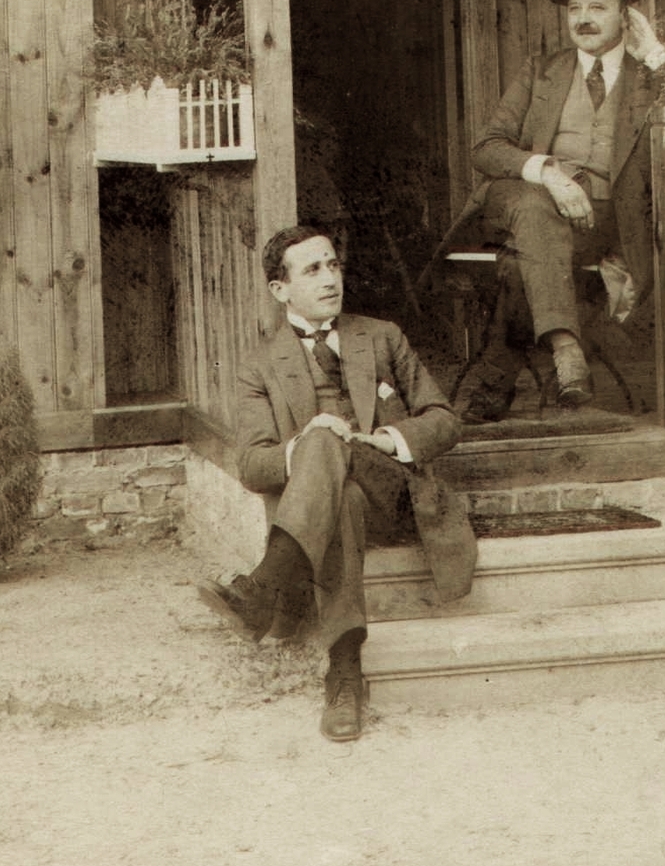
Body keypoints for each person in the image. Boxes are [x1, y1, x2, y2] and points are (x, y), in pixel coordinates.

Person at [197, 226, 476, 742]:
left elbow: (444, 418)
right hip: (336, 506)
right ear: (280, 290)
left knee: (330, 445)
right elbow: (254, 466)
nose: (330, 279)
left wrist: (390, 438)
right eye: (312, 270)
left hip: (392, 492)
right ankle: (345, 674)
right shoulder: (260, 367)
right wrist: (305, 445)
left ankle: (263, 586)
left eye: (333, 265)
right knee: (332, 471)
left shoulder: (383, 336)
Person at [461, 0, 665, 421]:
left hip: (600, 220)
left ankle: (497, 380)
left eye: (597, 7)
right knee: (535, 210)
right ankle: (567, 349)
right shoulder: (541, 71)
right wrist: (550, 175)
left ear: (626, 15)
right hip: (521, 202)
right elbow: (487, 148)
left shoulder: (648, 79)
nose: (583, 19)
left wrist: (655, 52)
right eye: (575, 9)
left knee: (520, 268)